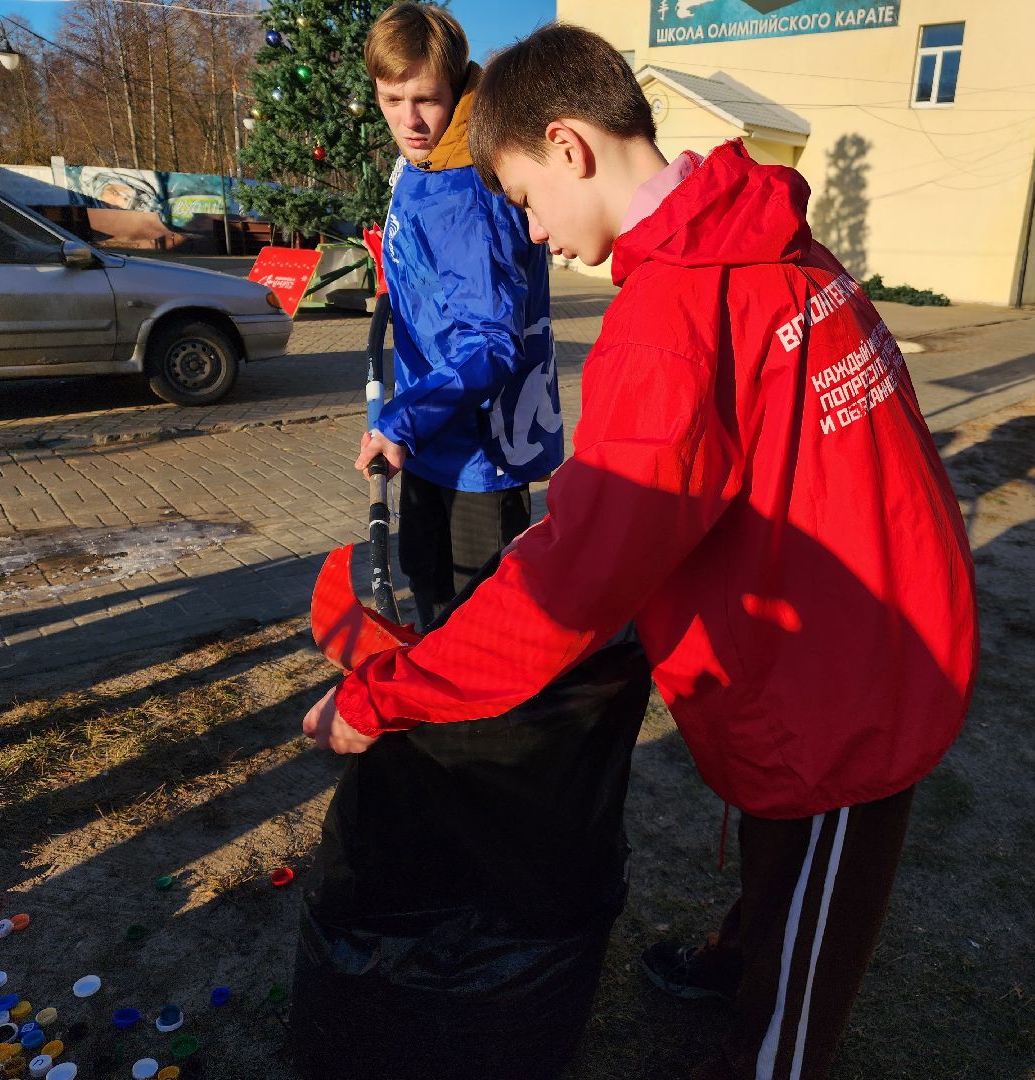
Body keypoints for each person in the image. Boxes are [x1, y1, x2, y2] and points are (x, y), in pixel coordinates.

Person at [304, 22, 978, 1080]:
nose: (534, 235)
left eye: (525, 199)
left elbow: (569, 584)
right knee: (777, 843)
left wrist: (385, 695)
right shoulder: (759, 232)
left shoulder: (669, 320)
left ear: (568, 146)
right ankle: (738, 955)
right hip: (818, 636)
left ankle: (765, 1037)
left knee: (801, 969)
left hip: (847, 687)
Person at [357, 2, 562, 632]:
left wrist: (401, 422)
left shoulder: (471, 186)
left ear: (456, 86)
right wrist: (397, 271)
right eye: (392, 100)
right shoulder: (422, 162)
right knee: (426, 583)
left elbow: (492, 343)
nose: (409, 120)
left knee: (477, 621)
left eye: (426, 98)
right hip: (427, 437)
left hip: (478, 452)